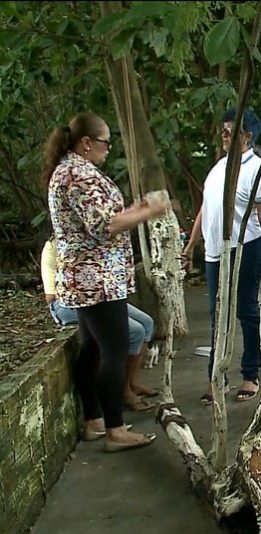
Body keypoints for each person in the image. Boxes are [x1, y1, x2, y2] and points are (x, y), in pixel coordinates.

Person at [43, 111, 168, 452]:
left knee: (93, 348)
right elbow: (105, 227)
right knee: (112, 351)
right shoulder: (78, 174)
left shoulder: (69, 171)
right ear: (86, 143)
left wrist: (133, 208)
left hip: (86, 278)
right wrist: (147, 212)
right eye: (105, 143)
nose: (108, 149)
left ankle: (94, 421)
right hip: (96, 279)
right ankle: (115, 429)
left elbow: (101, 219)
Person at [182, 109, 261, 404]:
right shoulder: (219, 167)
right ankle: (216, 377)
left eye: (230, 131)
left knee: (246, 310)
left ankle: (251, 374)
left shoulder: (257, 168)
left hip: (246, 246)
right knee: (218, 314)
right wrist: (192, 243)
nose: (224, 135)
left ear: (248, 136)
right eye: (223, 130)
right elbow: (207, 207)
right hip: (214, 252)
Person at [40, 236, 159, 412]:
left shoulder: (95, 241)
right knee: (135, 331)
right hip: (68, 302)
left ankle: (132, 382)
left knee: (146, 323)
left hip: (102, 297)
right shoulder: (54, 248)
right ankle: (123, 391)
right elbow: (51, 296)